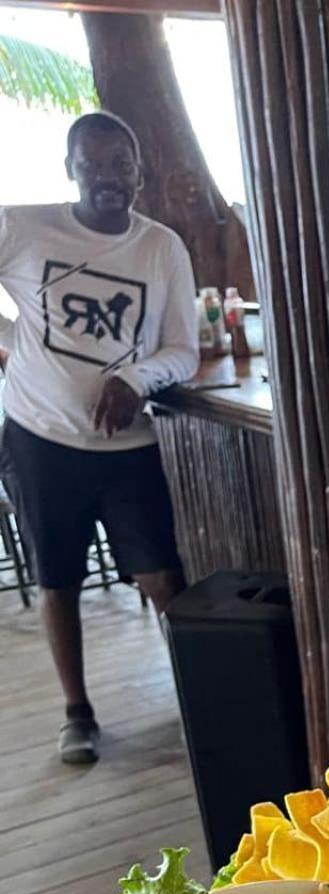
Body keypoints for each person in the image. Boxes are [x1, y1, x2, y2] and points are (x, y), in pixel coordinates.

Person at [0, 111, 199, 765]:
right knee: (58, 580)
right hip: (40, 437)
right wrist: (12, 347)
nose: (108, 178)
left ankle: (202, 697)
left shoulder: (160, 246)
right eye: (93, 165)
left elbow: (182, 350)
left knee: (160, 574)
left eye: (121, 165)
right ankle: (77, 713)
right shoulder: (23, 227)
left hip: (127, 447)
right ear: (70, 170)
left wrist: (136, 378)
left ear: (139, 173)